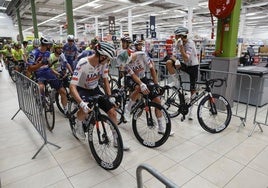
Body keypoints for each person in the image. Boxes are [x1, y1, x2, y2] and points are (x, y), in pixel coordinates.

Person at [69, 41, 130, 150]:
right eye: (108, 59)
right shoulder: (83, 63)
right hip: (82, 89)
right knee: (86, 109)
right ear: (102, 56)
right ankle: (78, 124)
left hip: (95, 89)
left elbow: (106, 80)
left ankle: (117, 140)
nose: (109, 62)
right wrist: (81, 103)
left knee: (112, 112)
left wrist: (110, 96)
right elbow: (72, 87)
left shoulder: (104, 63)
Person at [123, 40, 174, 136]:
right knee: (139, 87)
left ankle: (161, 127)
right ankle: (128, 108)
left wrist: (156, 84)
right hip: (131, 78)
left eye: (131, 60)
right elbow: (133, 76)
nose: (130, 62)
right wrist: (141, 84)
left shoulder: (143, 55)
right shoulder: (125, 63)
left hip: (143, 77)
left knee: (157, 101)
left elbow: (152, 69)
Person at [166, 26, 199, 120]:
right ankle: (176, 82)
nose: (176, 39)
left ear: (182, 36)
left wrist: (181, 47)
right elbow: (172, 56)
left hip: (193, 66)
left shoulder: (190, 43)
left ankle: (191, 112)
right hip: (183, 64)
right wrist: (176, 60)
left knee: (193, 89)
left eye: (177, 37)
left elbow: (186, 58)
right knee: (168, 62)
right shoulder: (177, 43)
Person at [27, 36, 68, 114]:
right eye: (50, 44)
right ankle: (40, 101)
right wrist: (41, 63)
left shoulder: (48, 53)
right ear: (46, 44)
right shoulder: (33, 53)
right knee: (41, 87)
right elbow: (30, 69)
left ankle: (65, 110)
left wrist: (53, 65)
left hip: (48, 73)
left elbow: (49, 65)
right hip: (38, 73)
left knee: (63, 91)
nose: (51, 46)